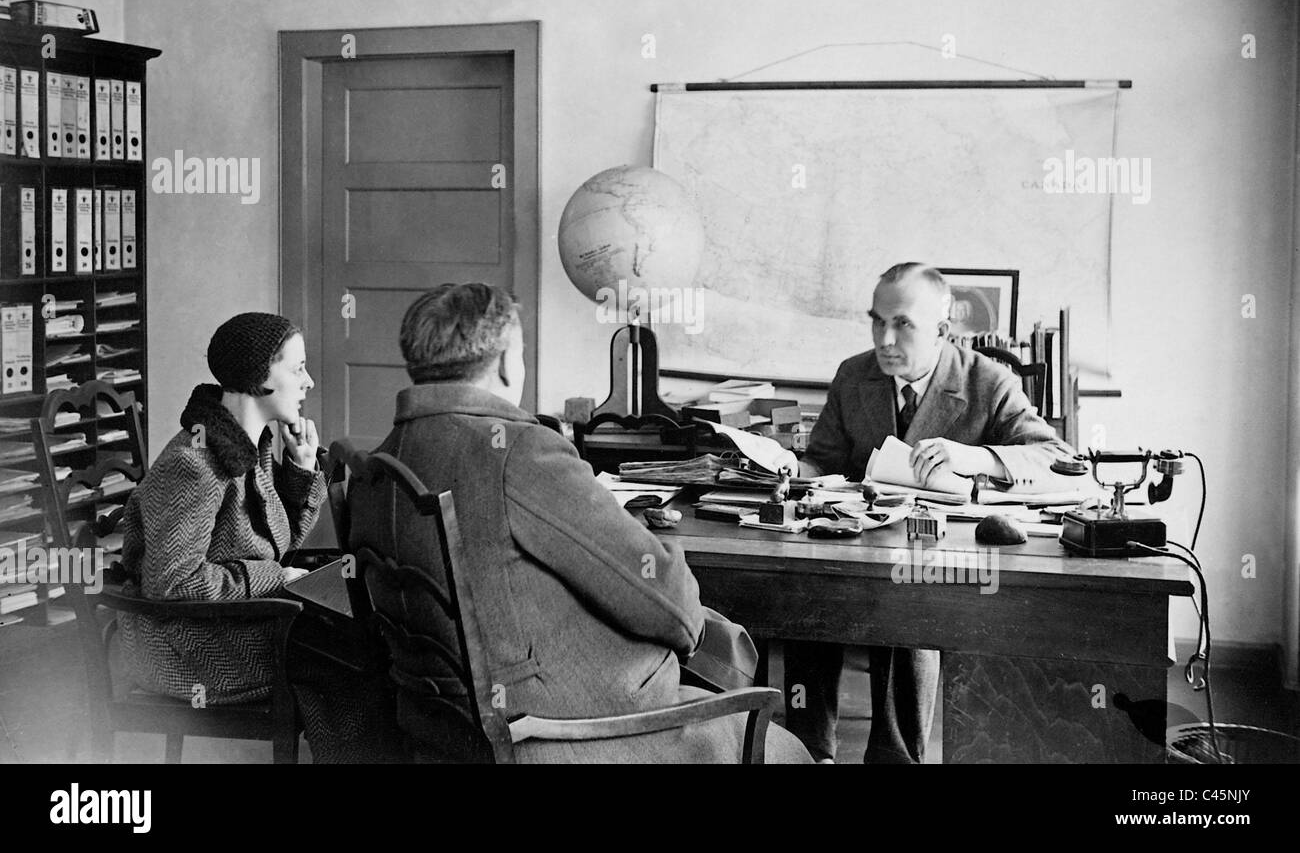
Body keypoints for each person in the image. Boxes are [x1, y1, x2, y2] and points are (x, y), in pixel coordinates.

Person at [348, 283, 811, 763]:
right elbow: (666, 600)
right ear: (507, 361)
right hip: (551, 731)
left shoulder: (381, 461)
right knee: (784, 745)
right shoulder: (517, 450)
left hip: (443, 724)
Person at [787, 263, 1075, 764]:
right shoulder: (854, 374)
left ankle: (894, 757)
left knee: (908, 598)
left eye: (902, 324)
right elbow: (824, 461)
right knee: (807, 585)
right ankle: (810, 753)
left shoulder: (987, 381)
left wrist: (978, 457)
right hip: (856, 544)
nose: (885, 338)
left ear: (942, 331)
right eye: (877, 321)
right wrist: (785, 467)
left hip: (942, 560)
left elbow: (1059, 461)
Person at [117, 312, 399, 762]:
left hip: (235, 621)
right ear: (259, 377)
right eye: (297, 368)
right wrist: (275, 576)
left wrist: (302, 470)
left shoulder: (250, 443)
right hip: (189, 644)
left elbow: (272, 545)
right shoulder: (195, 461)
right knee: (353, 660)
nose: (308, 382)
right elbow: (172, 584)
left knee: (370, 635)